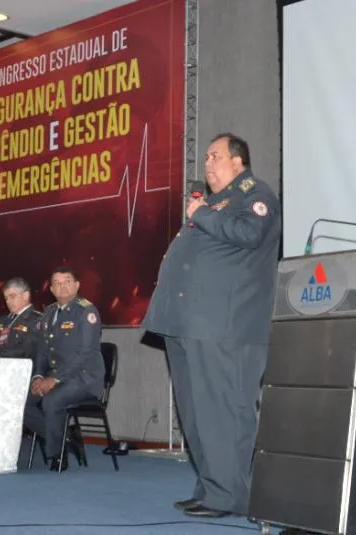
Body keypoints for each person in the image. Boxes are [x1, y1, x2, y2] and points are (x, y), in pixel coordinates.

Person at [142, 133, 281, 518]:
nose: (207, 163)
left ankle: (229, 496)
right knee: (196, 412)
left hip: (225, 326)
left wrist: (200, 214)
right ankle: (210, 488)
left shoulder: (255, 195)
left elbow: (250, 235)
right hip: (189, 323)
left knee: (224, 410)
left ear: (238, 162)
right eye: (205, 156)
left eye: (215, 156)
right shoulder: (215, 202)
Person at [22, 267, 104, 471]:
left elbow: (86, 354)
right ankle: (65, 438)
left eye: (67, 281)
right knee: (22, 403)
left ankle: (56, 456)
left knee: (52, 400)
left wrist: (55, 379)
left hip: (84, 379)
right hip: (56, 378)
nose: (62, 286)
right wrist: (38, 377)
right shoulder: (49, 312)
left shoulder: (87, 311)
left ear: (77, 285)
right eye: (56, 283)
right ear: (51, 288)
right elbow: (41, 350)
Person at [0, 277, 43, 360]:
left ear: (25, 295)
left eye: (12, 296)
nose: (7, 301)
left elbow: (26, 351)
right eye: (6, 298)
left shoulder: (37, 320)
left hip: (22, 370)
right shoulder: (2, 320)